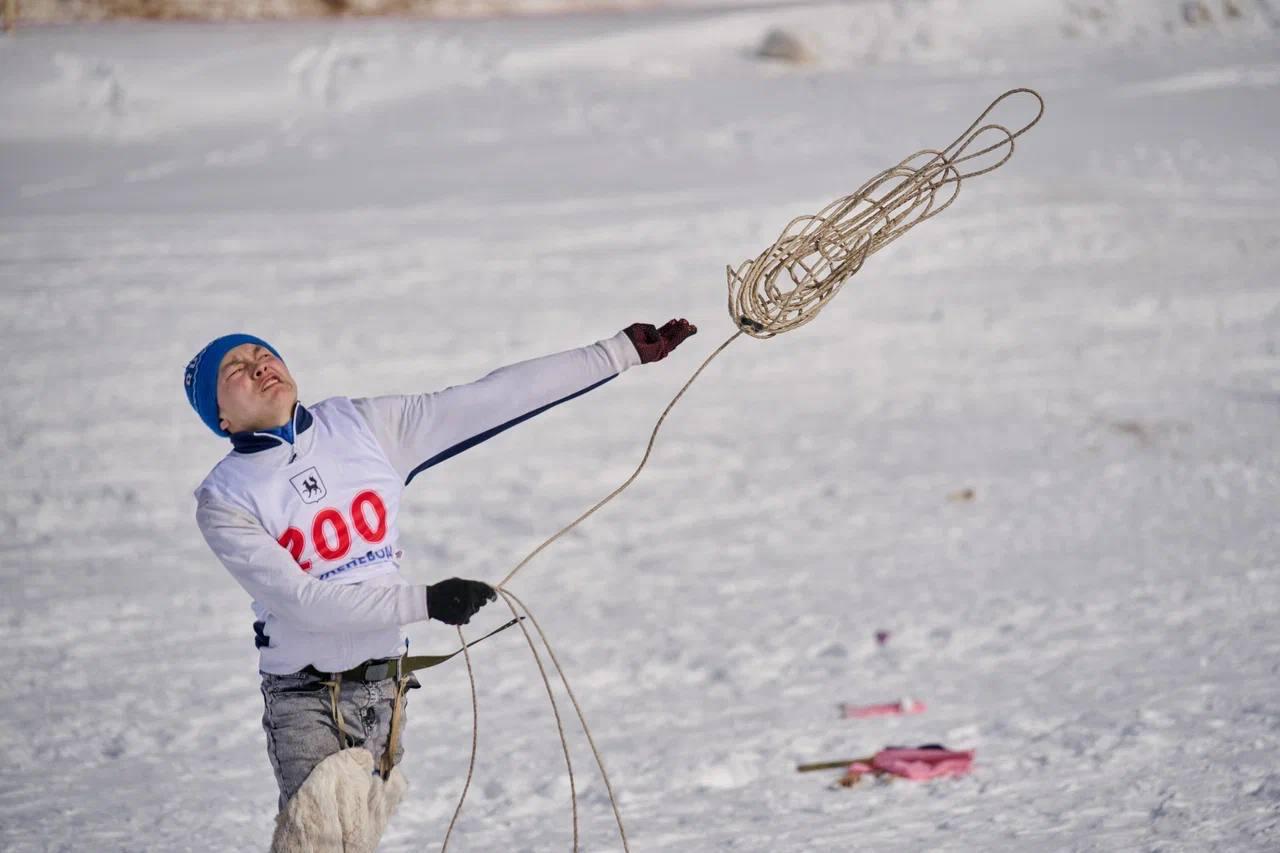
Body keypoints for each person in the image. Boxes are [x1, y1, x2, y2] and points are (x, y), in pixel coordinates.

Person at [185, 319, 697, 818]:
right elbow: (303, 602)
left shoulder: (362, 426)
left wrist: (618, 352)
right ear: (220, 418)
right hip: (305, 696)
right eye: (235, 369)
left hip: (384, 687)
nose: (258, 366)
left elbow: (492, 397)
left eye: (263, 353)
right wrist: (425, 602)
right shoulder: (225, 497)